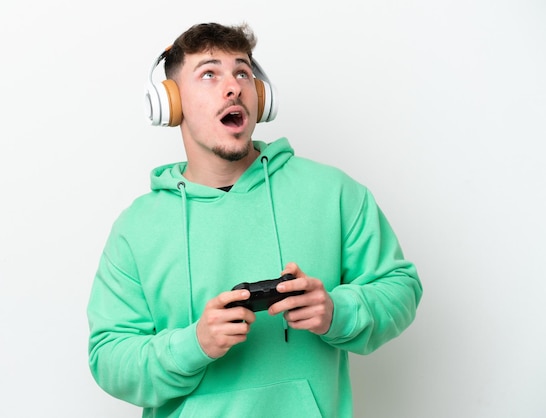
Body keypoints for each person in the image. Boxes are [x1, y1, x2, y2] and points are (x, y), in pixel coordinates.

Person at [87, 22, 423, 418]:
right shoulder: (136, 229)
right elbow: (109, 357)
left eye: (242, 72)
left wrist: (336, 311)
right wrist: (194, 344)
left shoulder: (332, 192)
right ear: (170, 103)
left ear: (261, 97)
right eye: (209, 74)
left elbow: (401, 286)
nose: (233, 87)